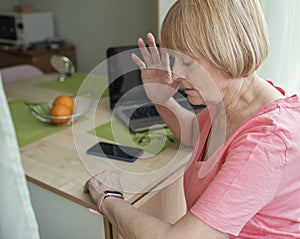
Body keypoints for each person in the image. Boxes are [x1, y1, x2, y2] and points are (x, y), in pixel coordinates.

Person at [84, 0, 300, 238]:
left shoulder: (266, 143)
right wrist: (161, 98)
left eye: (187, 62)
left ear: (229, 49)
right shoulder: (232, 102)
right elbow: (193, 133)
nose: (176, 73)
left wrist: (109, 198)